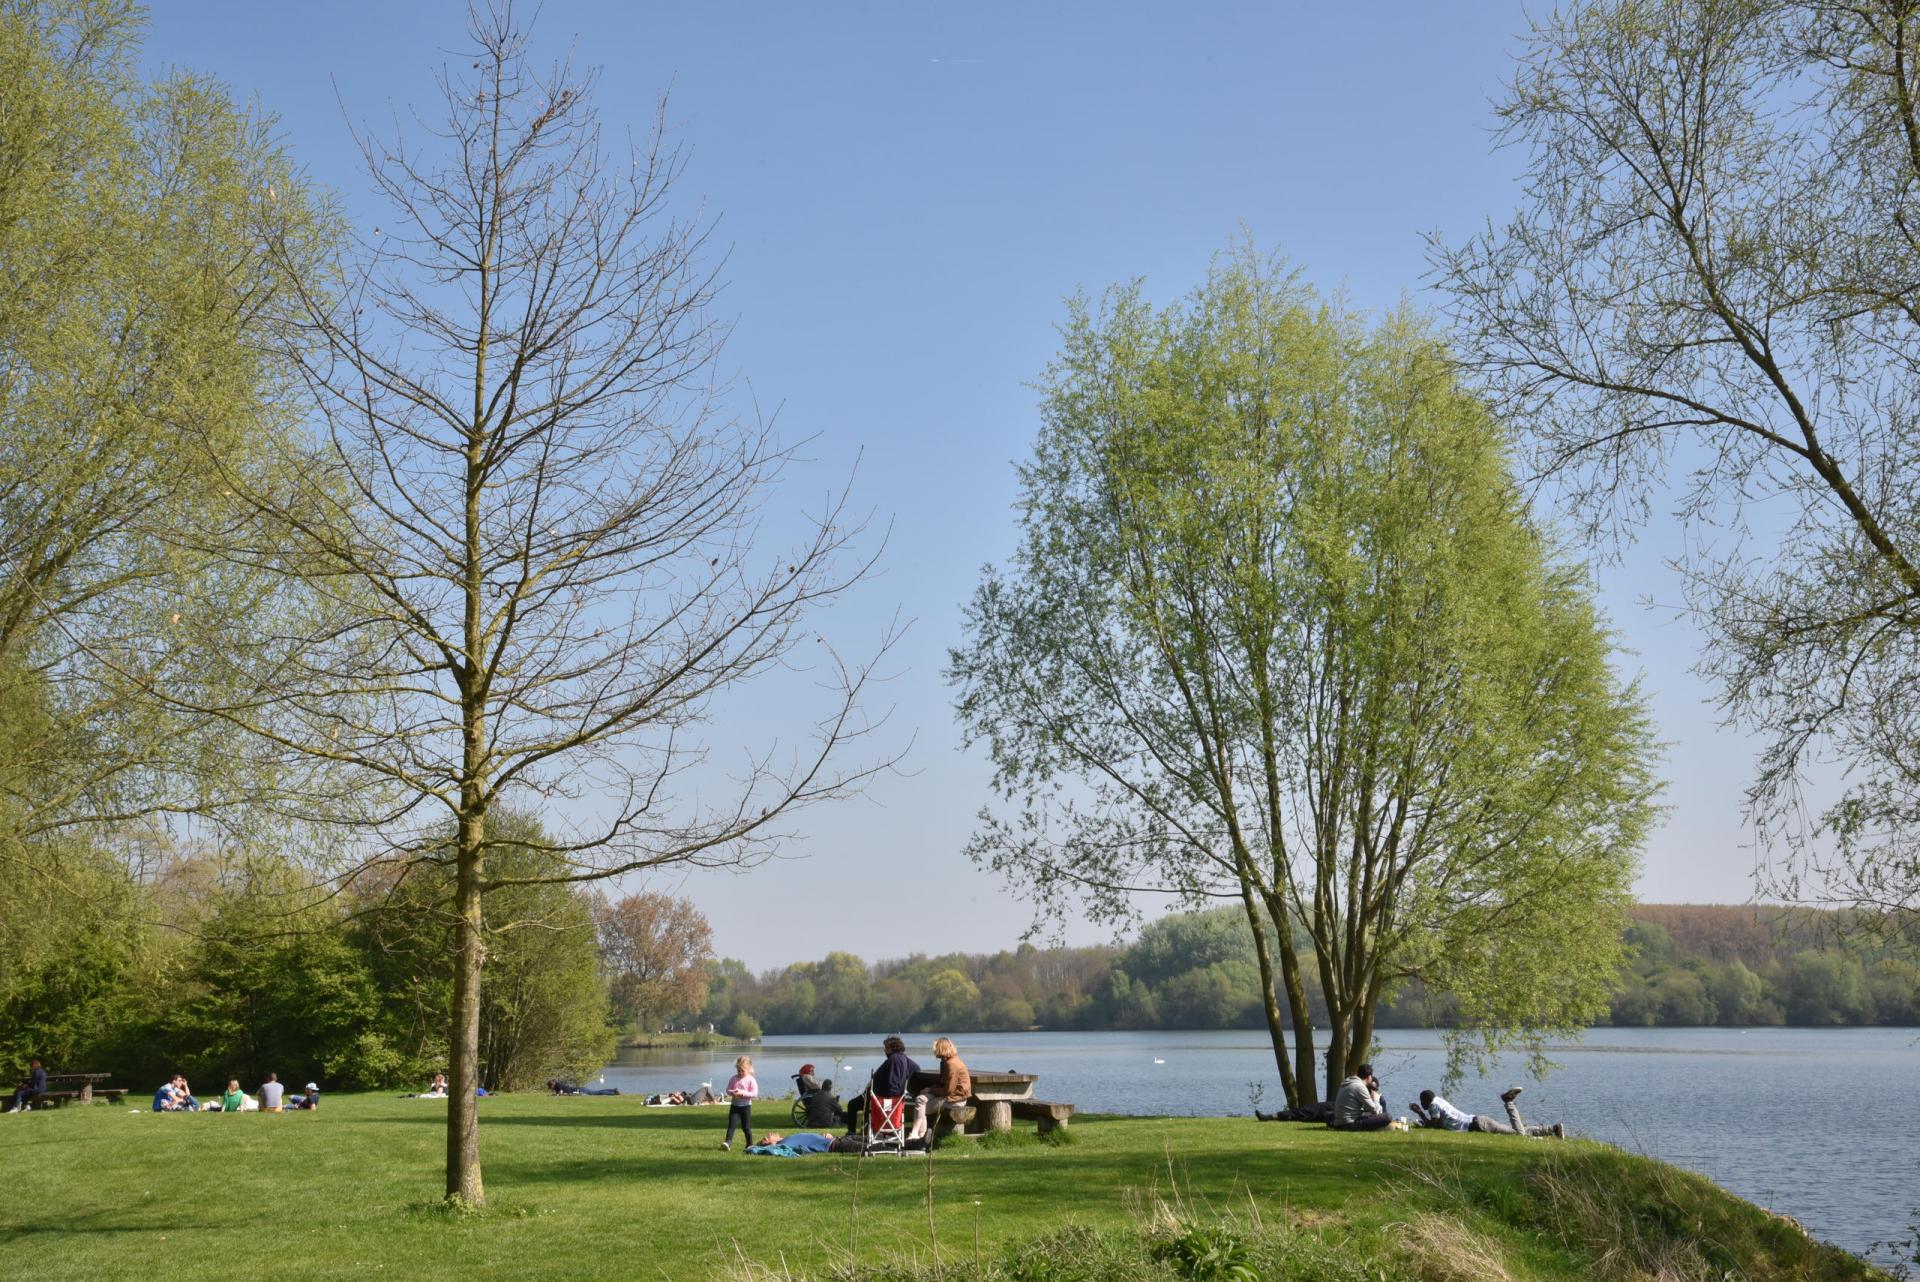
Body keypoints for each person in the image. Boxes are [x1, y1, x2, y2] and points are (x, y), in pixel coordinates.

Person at [1412, 1086, 1564, 1138]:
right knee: (1518, 1131)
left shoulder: (1433, 1105)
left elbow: (1434, 1125)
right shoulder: (1438, 1100)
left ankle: (1508, 1101)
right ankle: (1553, 1129)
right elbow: (1435, 1124)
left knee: (1519, 1134)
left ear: (1427, 1101)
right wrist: (1422, 1116)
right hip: (1480, 1121)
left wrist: (1420, 1113)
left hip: (1479, 1125)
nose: (1422, 1104)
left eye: (1422, 1102)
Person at [915, 1037, 971, 1140]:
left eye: (935, 1049)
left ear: (941, 1049)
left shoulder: (952, 1064)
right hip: (951, 1096)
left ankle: (921, 1136)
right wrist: (929, 1090)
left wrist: (929, 1090)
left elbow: (948, 1090)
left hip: (955, 1100)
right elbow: (943, 1084)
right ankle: (921, 1135)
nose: (934, 1052)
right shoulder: (948, 1061)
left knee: (921, 1109)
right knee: (920, 1100)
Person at [1328, 1063, 1392, 1132]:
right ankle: (1384, 1127)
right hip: (1350, 1124)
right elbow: (1375, 1110)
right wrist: (1375, 1099)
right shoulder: (1360, 1087)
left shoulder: (1347, 1082)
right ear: (1369, 1077)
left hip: (1338, 1123)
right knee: (1387, 1117)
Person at [722, 1055, 757, 1151]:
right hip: (735, 1106)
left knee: (746, 1127)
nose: (740, 1073)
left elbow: (754, 1093)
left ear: (748, 1069)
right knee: (731, 1125)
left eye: (742, 1071)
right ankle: (728, 1142)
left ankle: (750, 1144)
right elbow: (728, 1090)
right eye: (738, 1071)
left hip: (746, 1107)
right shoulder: (734, 1078)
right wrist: (732, 1093)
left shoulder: (751, 1079)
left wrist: (742, 1094)